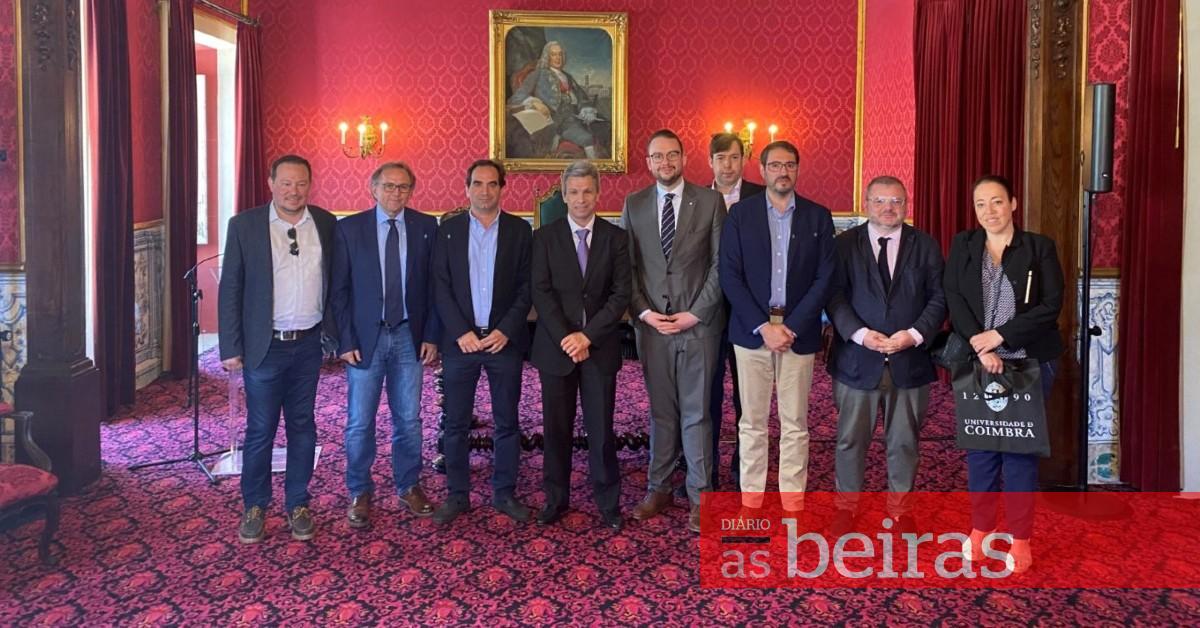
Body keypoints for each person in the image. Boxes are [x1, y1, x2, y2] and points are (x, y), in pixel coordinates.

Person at [943, 174, 1064, 573]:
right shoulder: (963, 245)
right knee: (980, 450)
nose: (989, 211)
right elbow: (954, 298)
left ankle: (1021, 538)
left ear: (1012, 204)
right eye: (981, 204)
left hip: (1028, 362)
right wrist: (982, 347)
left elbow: (1051, 305)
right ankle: (981, 528)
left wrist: (1001, 336)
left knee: (1019, 452)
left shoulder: (1039, 247)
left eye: (997, 201)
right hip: (979, 361)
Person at [218, 154, 337, 544]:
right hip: (264, 346)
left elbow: (336, 283)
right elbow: (230, 288)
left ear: (310, 185)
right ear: (270, 183)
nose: (293, 191)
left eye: (301, 183)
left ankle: (298, 503)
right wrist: (231, 346)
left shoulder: (325, 223)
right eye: (285, 183)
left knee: (303, 426)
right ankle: (255, 505)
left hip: (309, 345)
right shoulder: (245, 226)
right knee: (261, 429)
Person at [719, 140, 835, 515]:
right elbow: (729, 275)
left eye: (789, 165)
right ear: (762, 170)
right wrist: (762, 326)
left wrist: (792, 327)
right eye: (775, 165)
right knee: (751, 422)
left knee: (795, 423)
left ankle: (792, 503)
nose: (783, 172)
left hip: (798, 333)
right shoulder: (741, 215)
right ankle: (751, 501)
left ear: (797, 169)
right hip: (751, 333)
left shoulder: (818, 217)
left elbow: (824, 278)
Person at [825, 176, 946, 535]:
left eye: (896, 201)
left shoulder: (925, 245)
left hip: (909, 360)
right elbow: (834, 296)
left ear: (906, 205)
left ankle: (901, 511)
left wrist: (914, 335)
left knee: (905, 442)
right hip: (857, 359)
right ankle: (846, 507)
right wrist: (861, 335)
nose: (888, 208)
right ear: (866, 203)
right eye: (880, 201)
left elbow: (939, 297)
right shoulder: (844, 244)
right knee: (850, 440)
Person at [622, 129, 726, 533]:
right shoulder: (634, 204)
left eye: (671, 155)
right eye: (657, 156)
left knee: (697, 414)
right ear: (648, 162)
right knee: (662, 413)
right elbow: (628, 269)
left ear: (683, 158)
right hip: (653, 329)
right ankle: (659, 488)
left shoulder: (711, 201)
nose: (664, 162)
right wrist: (644, 313)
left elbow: (719, 265)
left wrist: (695, 313)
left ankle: (701, 496)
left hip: (698, 327)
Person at [330, 162, 441, 529]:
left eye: (404, 187)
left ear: (411, 191)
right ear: (373, 188)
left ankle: (409, 485)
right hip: (366, 339)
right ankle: (359, 491)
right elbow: (339, 291)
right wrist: (345, 340)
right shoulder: (349, 229)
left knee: (409, 419)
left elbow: (435, 287)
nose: (396, 193)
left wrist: (431, 335)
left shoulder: (426, 227)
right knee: (360, 421)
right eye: (389, 186)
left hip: (410, 336)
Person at [431, 159, 534, 525]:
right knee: (456, 423)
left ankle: (504, 493)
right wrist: (461, 332)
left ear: (502, 188)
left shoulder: (520, 231)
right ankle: (457, 495)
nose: (485, 191)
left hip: (503, 341)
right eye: (477, 183)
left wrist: (505, 329)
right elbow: (440, 285)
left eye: (492, 184)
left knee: (507, 422)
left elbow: (527, 287)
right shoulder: (448, 230)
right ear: (467, 188)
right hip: (461, 342)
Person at [530, 160, 631, 531]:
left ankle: (608, 503)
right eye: (573, 192)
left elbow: (620, 294)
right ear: (564, 195)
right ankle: (555, 500)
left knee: (601, 430)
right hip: (556, 349)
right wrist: (568, 337)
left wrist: (587, 337)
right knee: (556, 430)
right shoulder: (544, 237)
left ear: (598, 193)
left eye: (588, 191)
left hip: (599, 348)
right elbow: (541, 293)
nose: (581, 199)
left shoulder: (616, 238)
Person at [705, 132, 764, 489]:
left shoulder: (762, 196)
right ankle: (705, 469)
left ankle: (745, 468)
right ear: (710, 161)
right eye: (721, 158)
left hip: (749, 314)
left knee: (748, 398)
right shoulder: (696, 197)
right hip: (707, 314)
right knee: (706, 396)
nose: (728, 165)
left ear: (744, 159)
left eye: (734, 157)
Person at [508, 41, 601, 159]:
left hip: (570, 122)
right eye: (553, 54)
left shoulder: (568, 77)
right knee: (544, 146)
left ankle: (595, 167)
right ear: (547, 57)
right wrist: (535, 102)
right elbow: (517, 96)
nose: (558, 58)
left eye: (560, 54)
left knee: (588, 138)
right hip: (549, 122)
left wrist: (586, 109)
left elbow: (582, 98)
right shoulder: (538, 74)